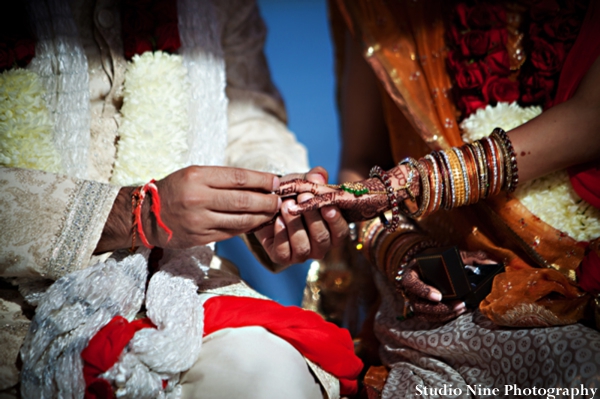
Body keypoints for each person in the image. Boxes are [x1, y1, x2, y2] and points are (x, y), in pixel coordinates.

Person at [0, 1, 361, 398]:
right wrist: (128, 214)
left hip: (180, 284)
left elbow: (246, 116)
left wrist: (274, 197)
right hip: (15, 304)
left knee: (273, 380)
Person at [283, 0, 600, 396]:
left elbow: (592, 120)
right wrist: (401, 251)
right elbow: (360, 164)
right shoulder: (380, 11)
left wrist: (406, 183)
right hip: (449, 284)